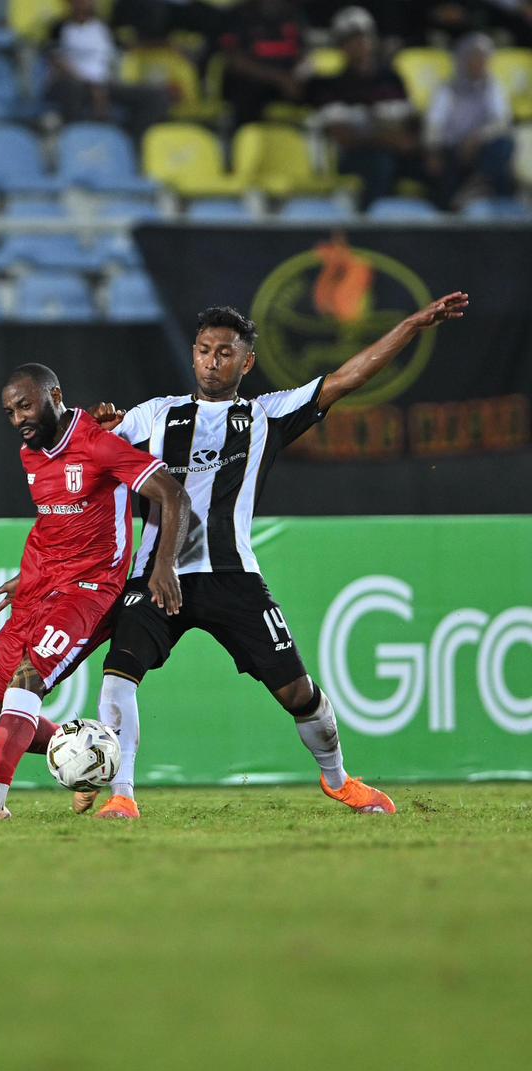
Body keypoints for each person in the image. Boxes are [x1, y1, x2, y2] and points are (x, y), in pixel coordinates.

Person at [71, 292, 468, 819]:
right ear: (193, 354)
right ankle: (122, 796)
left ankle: (338, 780)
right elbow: (81, 463)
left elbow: (348, 378)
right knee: (118, 674)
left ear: (246, 362)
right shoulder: (152, 416)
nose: (213, 362)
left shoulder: (267, 415)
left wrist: (411, 324)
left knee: (298, 692)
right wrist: (96, 429)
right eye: (205, 350)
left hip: (233, 576)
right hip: (157, 574)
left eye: (226, 353)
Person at [0, 363, 190, 820]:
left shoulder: (99, 443)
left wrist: (165, 564)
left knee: (29, 678)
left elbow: (173, 494)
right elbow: (56, 519)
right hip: (39, 587)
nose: (18, 419)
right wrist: (28, 577)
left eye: (25, 406)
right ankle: (86, 755)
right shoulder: (30, 453)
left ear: (55, 396)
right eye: (10, 412)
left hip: (89, 590)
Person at [298, 6, 422, 209]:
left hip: (397, 152)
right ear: (341, 46)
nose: (361, 43)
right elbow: (343, 137)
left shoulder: (391, 80)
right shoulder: (329, 85)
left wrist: (405, 140)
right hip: (354, 157)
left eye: (364, 37)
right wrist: (385, 138)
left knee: (432, 164)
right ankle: (371, 223)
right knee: (381, 164)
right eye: (352, 39)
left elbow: (410, 124)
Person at [46, 0, 169, 138]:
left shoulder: (105, 27)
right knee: (73, 89)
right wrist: (91, 84)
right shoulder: (59, 27)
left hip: (106, 83)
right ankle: (74, 138)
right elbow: (57, 61)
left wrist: (107, 82)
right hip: (73, 82)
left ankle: (130, 140)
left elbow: (119, 55)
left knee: (156, 96)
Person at [425, 33, 516, 210]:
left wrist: (477, 138)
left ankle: (479, 185)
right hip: (452, 150)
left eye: (483, 58)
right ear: (463, 59)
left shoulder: (492, 86)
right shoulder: (448, 88)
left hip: (480, 150)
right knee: (441, 182)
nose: (479, 63)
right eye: (474, 57)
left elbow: (502, 121)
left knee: (504, 145)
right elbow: (433, 123)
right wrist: (433, 150)